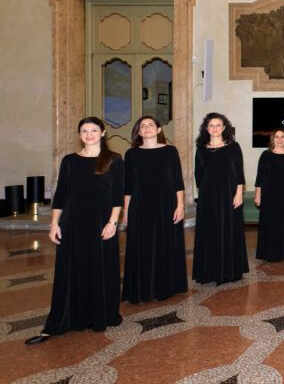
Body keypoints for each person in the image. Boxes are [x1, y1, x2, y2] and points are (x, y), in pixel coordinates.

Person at [27, 117, 124, 345]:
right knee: (71, 269)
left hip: (102, 222)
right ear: (79, 134)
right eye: (84, 131)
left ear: (103, 132)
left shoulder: (113, 160)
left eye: (93, 130)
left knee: (100, 267)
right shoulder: (69, 161)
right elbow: (61, 194)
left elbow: (117, 195)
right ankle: (68, 318)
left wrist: (112, 222)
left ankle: (101, 315)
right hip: (72, 222)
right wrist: (54, 223)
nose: (88, 134)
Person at [122, 116, 187, 304]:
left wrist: (180, 205)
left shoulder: (170, 151)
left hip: (166, 204)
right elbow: (128, 186)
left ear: (159, 130)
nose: (147, 128)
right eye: (143, 126)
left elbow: (177, 181)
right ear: (138, 132)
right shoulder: (132, 154)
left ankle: (165, 286)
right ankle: (143, 287)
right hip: (140, 206)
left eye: (151, 125)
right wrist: (126, 211)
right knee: (141, 245)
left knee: (165, 244)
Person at [193, 112, 248, 284]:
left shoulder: (234, 147)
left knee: (229, 230)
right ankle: (209, 271)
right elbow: (198, 175)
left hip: (229, 195)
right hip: (208, 196)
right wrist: (204, 195)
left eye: (218, 125)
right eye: (211, 125)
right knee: (209, 231)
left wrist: (239, 193)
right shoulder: (201, 149)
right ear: (206, 128)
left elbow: (239, 173)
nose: (215, 128)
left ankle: (229, 270)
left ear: (224, 128)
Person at [253, 128, 284, 262]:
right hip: (268, 193)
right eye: (277, 137)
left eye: (282, 137)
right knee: (270, 222)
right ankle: (268, 251)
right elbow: (260, 177)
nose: (279, 139)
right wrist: (258, 195)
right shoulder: (265, 155)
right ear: (272, 139)